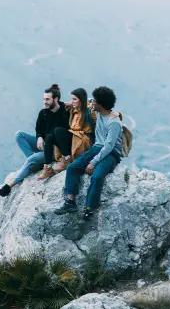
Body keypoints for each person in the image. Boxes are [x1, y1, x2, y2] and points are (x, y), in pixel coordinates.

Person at [53, 86, 124, 218]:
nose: (93, 103)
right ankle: (70, 202)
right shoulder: (96, 111)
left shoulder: (114, 122)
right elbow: (88, 100)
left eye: (96, 101)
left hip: (111, 153)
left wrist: (93, 162)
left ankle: (89, 207)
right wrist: (71, 103)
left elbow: (108, 147)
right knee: (72, 167)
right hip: (96, 148)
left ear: (101, 105)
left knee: (97, 176)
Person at [0, 84, 69, 197]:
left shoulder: (65, 112)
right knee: (19, 135)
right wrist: (39, 137)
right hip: (44, 144)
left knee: (31, 159)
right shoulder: (43, 112)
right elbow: (38, 129)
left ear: (56, 99)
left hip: (54, 149)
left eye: (47, 99)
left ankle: (10, 185)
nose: (45, 102)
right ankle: (37, 164)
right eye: (44, 99)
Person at [37, 87, 95, 180]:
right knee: (49, 137)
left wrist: (116, 114)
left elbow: (100, 110)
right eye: (72, 99)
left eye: (74, 99)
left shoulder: (90, 111)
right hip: (74, 138)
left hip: (84, 140)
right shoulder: (73, 109)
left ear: (81, 100)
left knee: (58, 130)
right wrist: (72, 103)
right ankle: (47, 168)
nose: (72, 101)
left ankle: (67, 159)